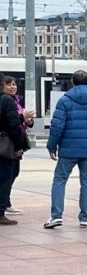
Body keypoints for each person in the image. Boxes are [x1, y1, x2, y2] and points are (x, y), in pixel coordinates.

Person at [43, 70, 87, 229]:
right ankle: (85, 217)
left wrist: (52, 146)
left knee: (59, 180)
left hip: (68, 150)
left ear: (73, 81)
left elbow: (57, 126)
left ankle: (56, 215)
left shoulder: (65, 101)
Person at [2, 75, 34, 215]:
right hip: (9, 144)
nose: (12, 87)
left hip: (13, 141)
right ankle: (4, 204)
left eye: (14, 84)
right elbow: (11, 123)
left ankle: (6, 202)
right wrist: (18, 147)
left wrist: (28, 121)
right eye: (9, 84)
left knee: (13, 173)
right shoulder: (7, 101)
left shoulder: (16, 101)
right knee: (7, 175)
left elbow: (18, 121)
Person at [0, 89, 26, 226]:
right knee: (5, 178)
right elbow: (13, 125)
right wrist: (18, 146)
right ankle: (0, 213)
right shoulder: (6, 100)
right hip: (3, 148)